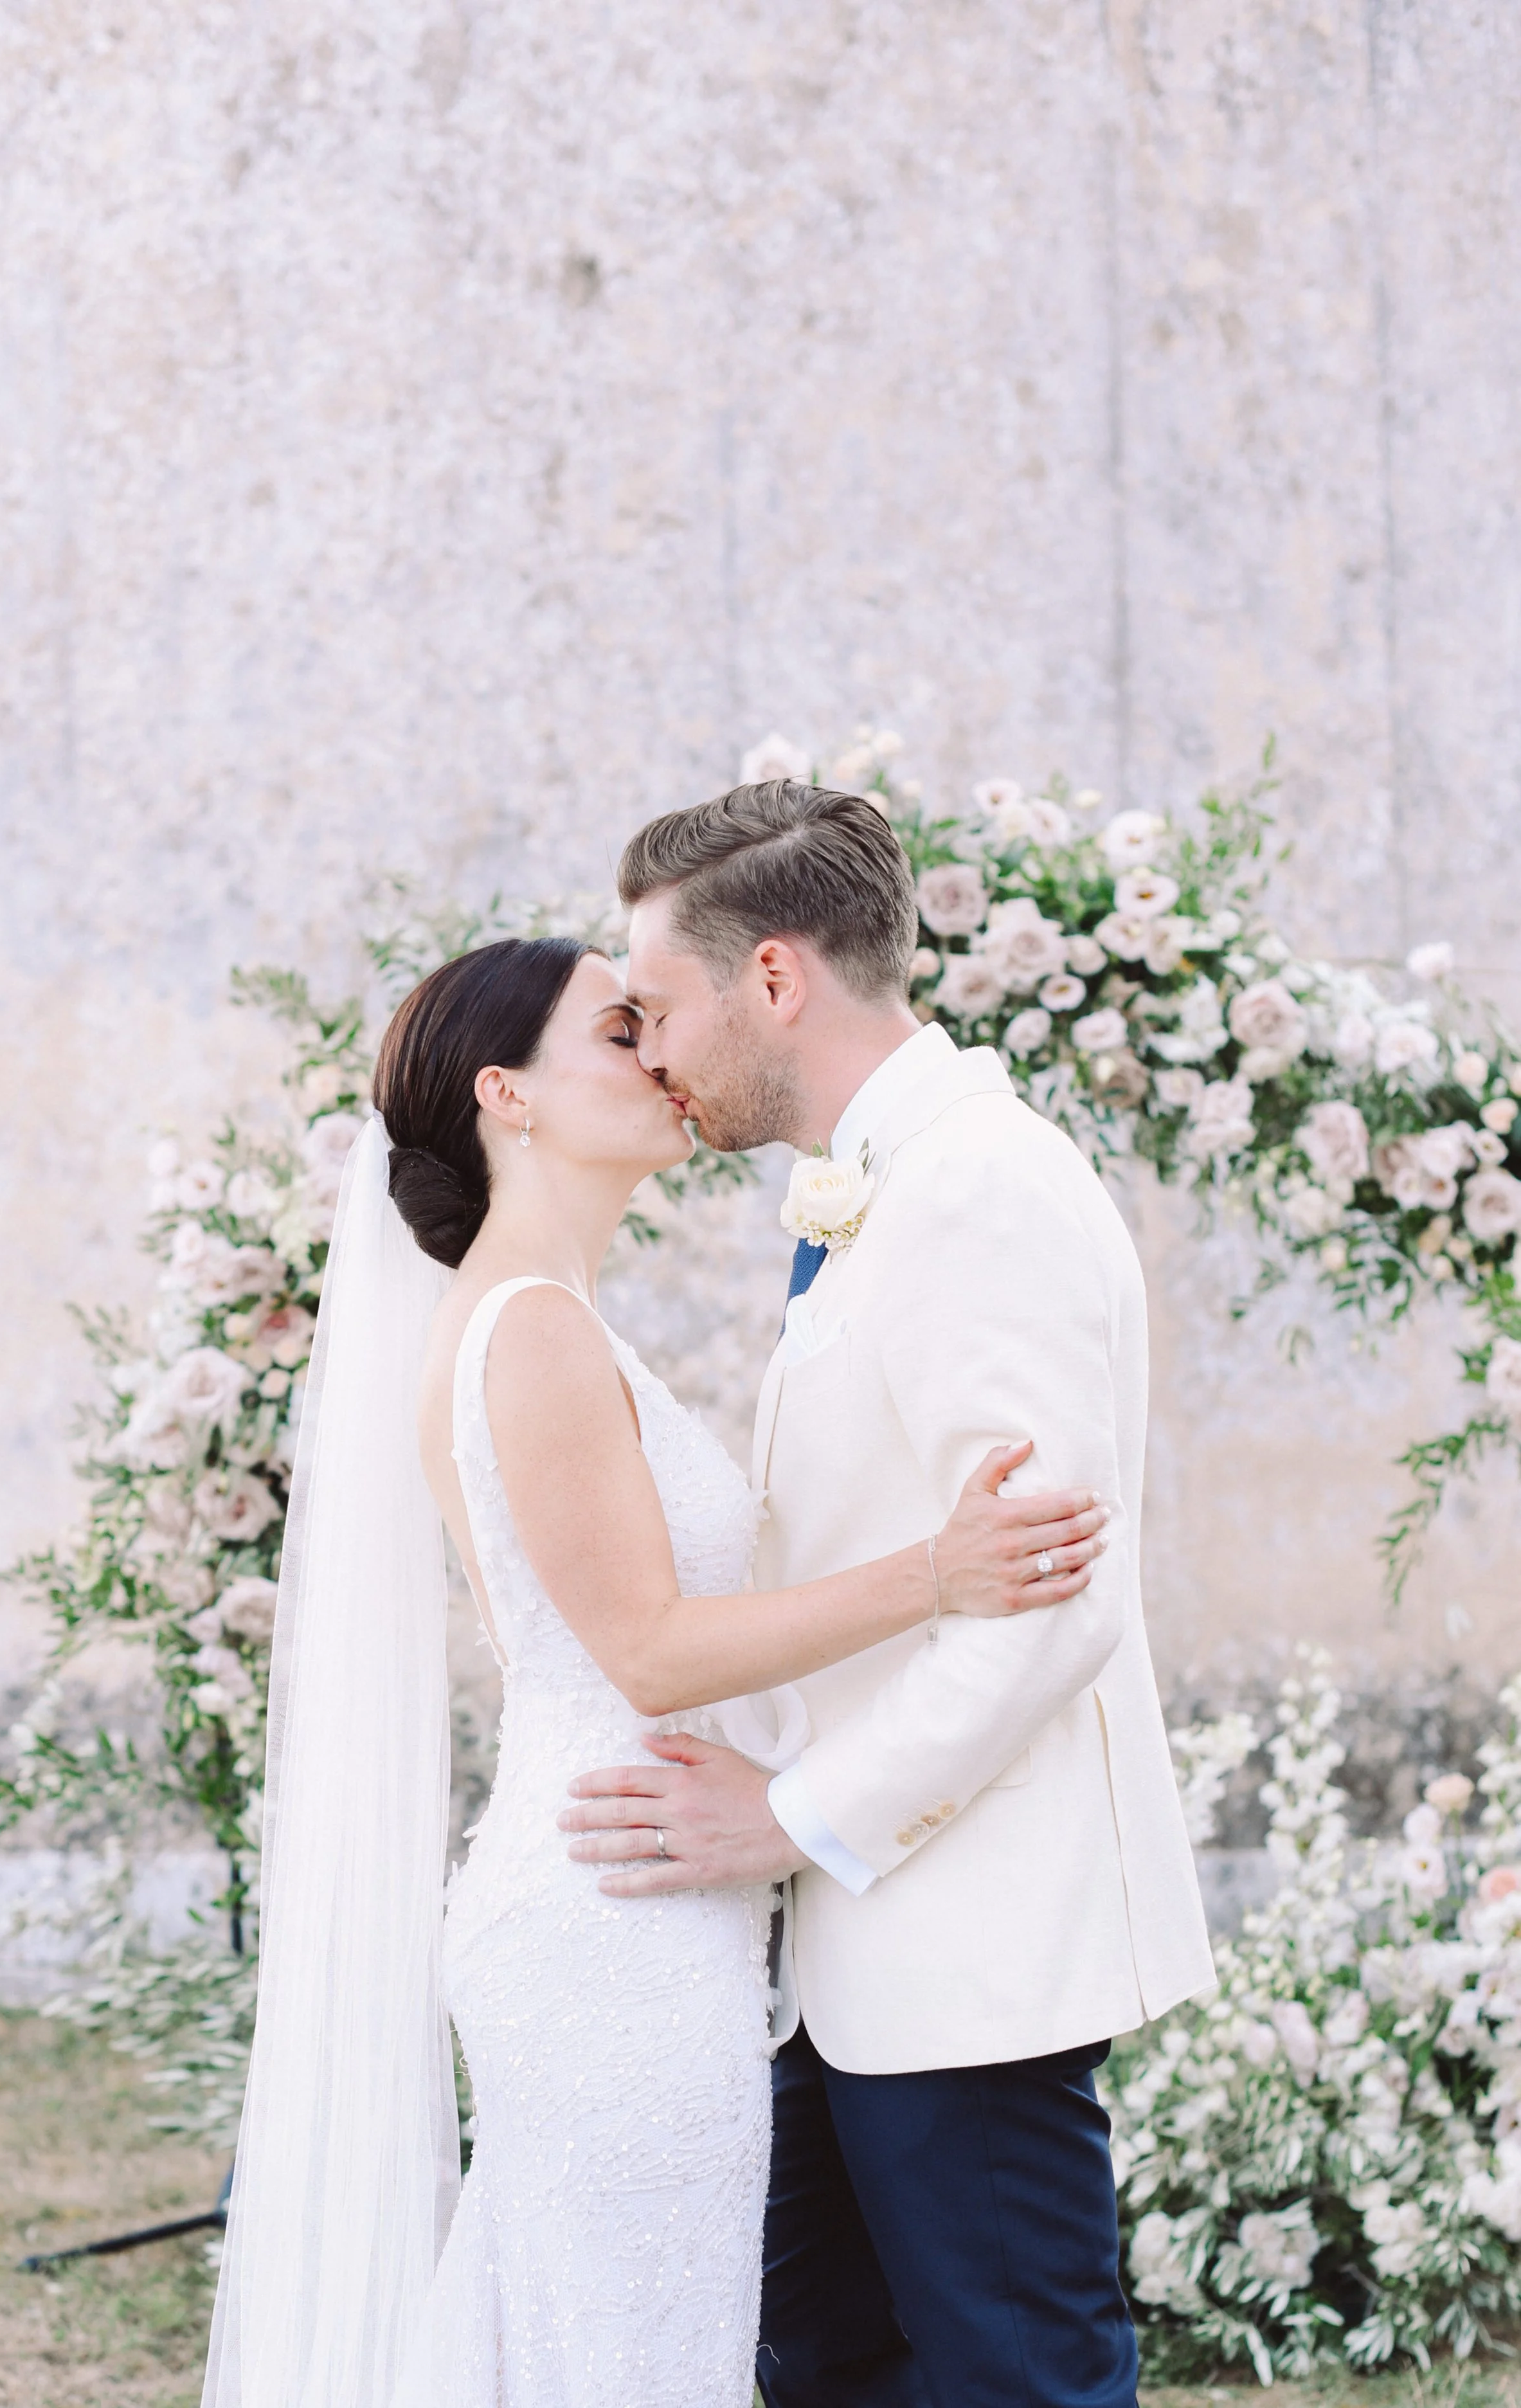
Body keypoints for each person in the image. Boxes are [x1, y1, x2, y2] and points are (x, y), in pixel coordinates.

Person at [201, 930, 1106, 2408]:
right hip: (607, 1915)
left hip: (643, 1894)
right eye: (617, 1032)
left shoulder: (542, 1320)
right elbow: (647, 1651)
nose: (661, 1057)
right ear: (512, 1095)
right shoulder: (532, 1333)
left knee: (608, 2347)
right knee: (631, 2359)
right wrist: (933, 1576)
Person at [561, 779, 1216, 2408]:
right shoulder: (876, 1186)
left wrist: (790, 1817)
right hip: (852, 1955)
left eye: (658, 1006)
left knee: (1010, 2382)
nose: (649, 1050)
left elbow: (1051, 1604)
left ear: (772, 978)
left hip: (967, 1944)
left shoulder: (982, 1187)